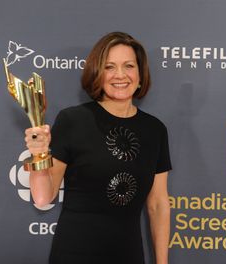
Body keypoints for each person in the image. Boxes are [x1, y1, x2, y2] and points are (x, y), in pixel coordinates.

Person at [24, 32, 171, 264]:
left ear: (140, 75)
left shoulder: (155, 130)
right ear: (97, 74)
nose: (120, 75)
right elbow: (43, 197)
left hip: (128, 254)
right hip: (74, 254)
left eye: (129, 66)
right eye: (109, 67)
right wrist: (38, 155)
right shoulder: (73, 120)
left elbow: (158, 204)